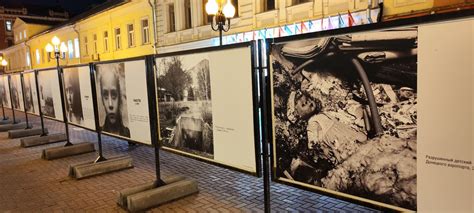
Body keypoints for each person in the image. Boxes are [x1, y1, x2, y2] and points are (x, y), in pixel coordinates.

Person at [98, 63, 130, 138]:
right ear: (102, 99)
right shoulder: (100, 131)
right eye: (105, 96)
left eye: (114, 95)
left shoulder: (128, 133)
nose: (110, 105)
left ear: (119, 96)